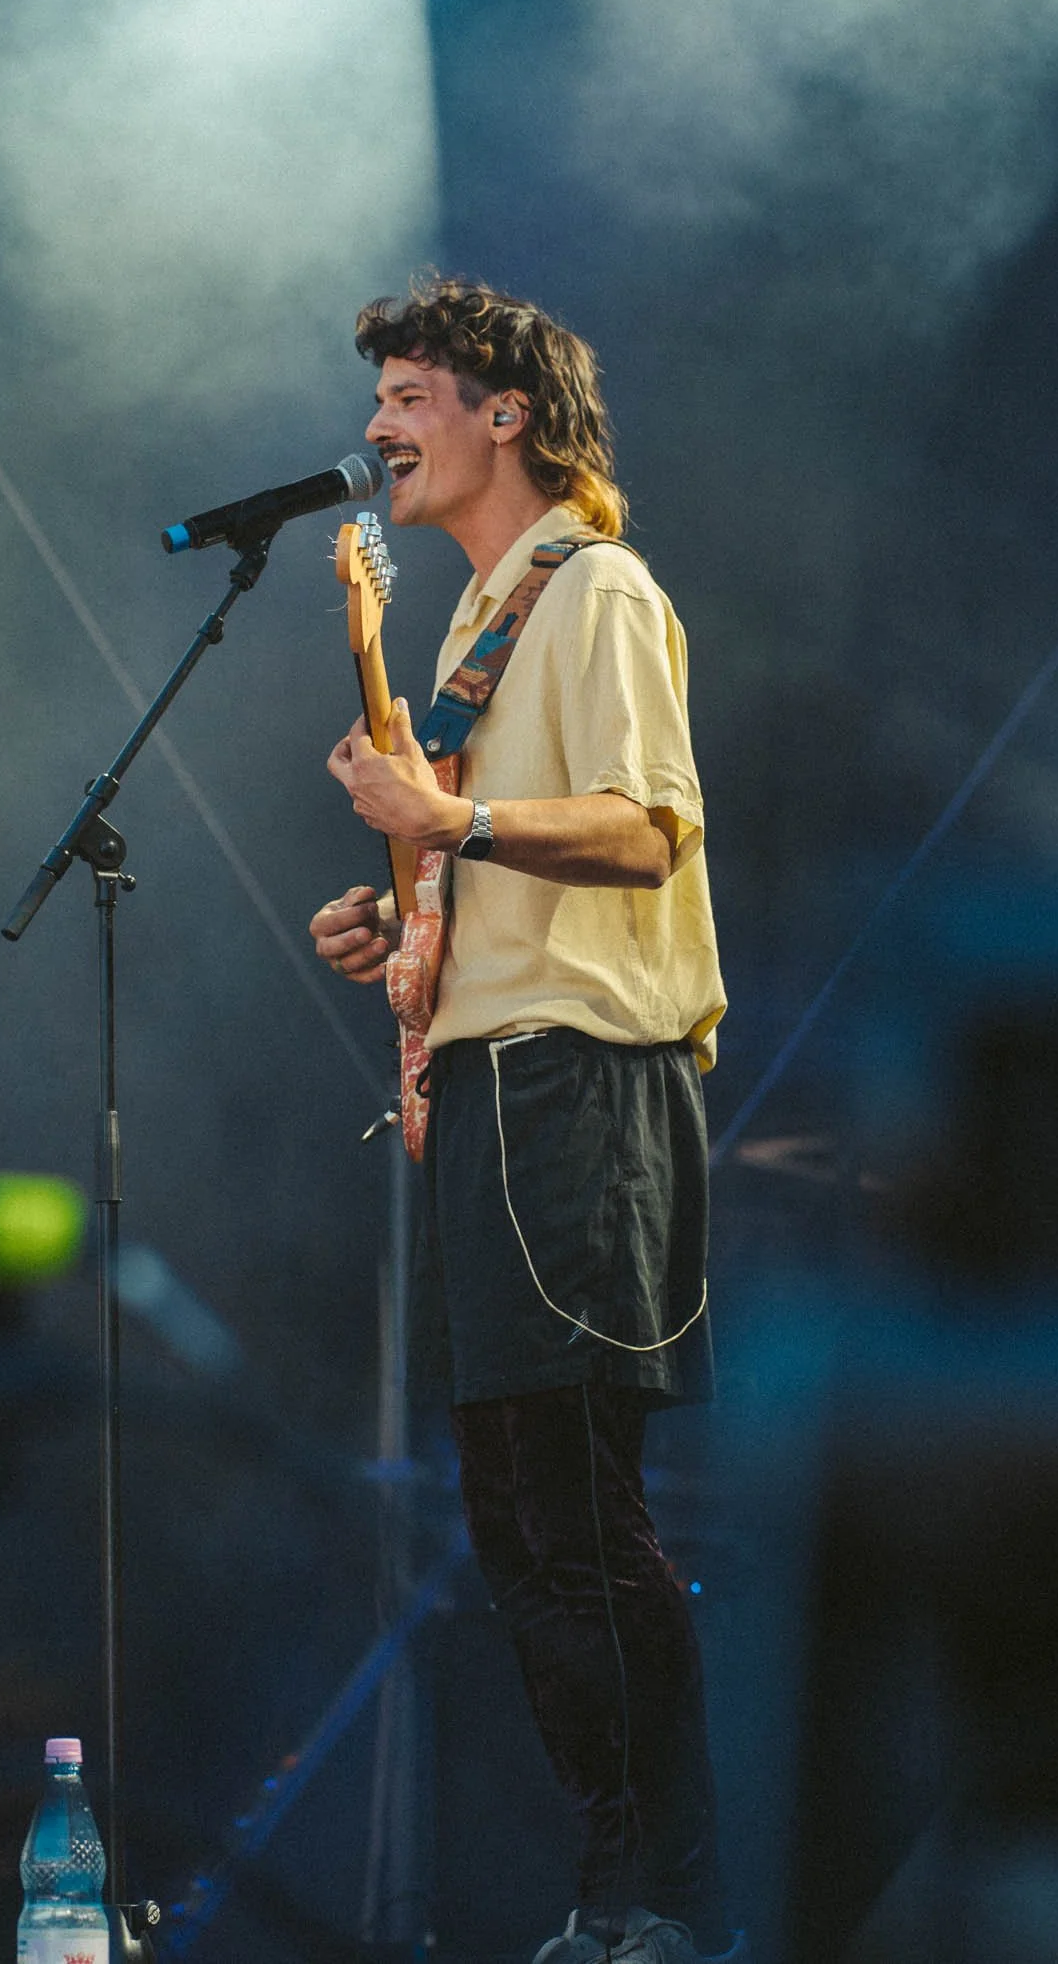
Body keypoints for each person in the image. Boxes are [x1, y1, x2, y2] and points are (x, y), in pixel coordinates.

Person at [310, 278, 742, 1964]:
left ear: (505, 412)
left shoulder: (601, 589)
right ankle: (615, 1883)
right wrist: (400, 912)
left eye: (409, 394)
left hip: (586, 1084)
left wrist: (451, 814)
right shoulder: (478, 623)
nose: (377, 428)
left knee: (573, 1504)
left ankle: (676, 1900)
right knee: (512, 1516)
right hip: (499, 1072)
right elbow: (498, 857)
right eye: (381, 399)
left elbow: (647, 830)